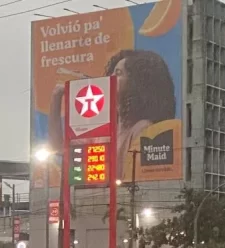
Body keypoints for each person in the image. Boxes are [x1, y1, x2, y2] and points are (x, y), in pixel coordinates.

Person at [47, 49, 176, 177]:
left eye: (118, 73)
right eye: (111, 72)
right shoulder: (104, 127)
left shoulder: (142, 128)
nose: (110, 78)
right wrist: (56, 97)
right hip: (99, 196)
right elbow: (59, 149)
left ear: (137, 83)